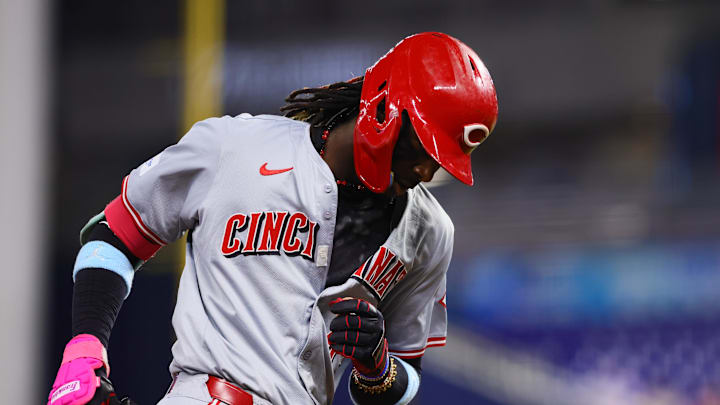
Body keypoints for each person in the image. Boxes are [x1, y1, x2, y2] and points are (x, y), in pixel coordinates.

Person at [47, 31, 498, 405]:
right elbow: (116, 234)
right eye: (423, 148)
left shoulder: (429, 232)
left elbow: (407, 380)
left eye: (441, 161)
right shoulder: (236, 148)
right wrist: (84, 347)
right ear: (383, 107)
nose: (426, 171)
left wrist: (377, 366)